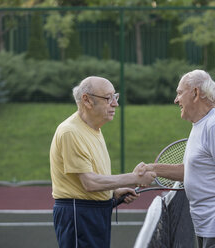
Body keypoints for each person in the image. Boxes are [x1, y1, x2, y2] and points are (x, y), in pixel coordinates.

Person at [136, 69, 215, 248]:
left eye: (179, 93)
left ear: (195, 93)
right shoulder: (201, 124)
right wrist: (152, 168)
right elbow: (190, 171)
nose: (176, 100)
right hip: (208, 225)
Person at [50, 76, 156, 248]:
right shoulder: (70, 132)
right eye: (108, 98)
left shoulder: (94, 129)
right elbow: (89, 183)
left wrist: (113, 192)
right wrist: (135, 178)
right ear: (87, 100)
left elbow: (93, 179)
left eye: (116, 97)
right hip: (79, 214)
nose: (115, 103)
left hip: (93, 212)